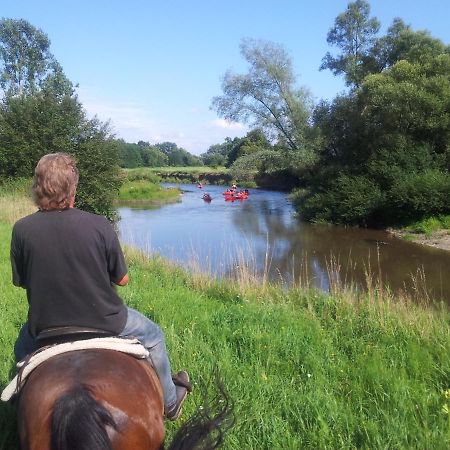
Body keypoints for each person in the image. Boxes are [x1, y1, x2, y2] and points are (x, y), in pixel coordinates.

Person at [10, 153, 190, 420]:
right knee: (154, 336)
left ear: (38, 187)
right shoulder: (99, 224)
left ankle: (18, 408)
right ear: (73, 188)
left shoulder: (22, 229)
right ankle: (171, 403)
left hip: (45, 325)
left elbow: (21, 281)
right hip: (106, 320)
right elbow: (122, 280)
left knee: (19, 351)